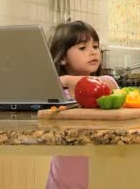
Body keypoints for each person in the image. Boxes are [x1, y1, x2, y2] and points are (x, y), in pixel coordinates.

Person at [46, 20, 118, 189]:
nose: (93, 52)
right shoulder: (56, 92)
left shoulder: (106, 83)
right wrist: (61, 82)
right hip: (62, 181)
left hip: (101, 178)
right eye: (83, 48)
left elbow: (109, 85)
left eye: (95, 46)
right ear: (63, 58)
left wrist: (69, 80)